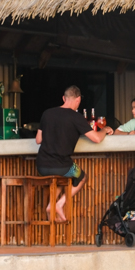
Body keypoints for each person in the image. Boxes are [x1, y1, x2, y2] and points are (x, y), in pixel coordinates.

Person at [35, 86, 112, 222]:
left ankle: (51, 204)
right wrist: (105, 129)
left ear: (63, 98)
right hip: (62, 166)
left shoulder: (47, 113)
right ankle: (59, 204)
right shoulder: (76, 117)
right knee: (82, 176)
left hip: (41, 166)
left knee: (62, 177)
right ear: (78, 100)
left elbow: (38, 140)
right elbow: (96, 138)